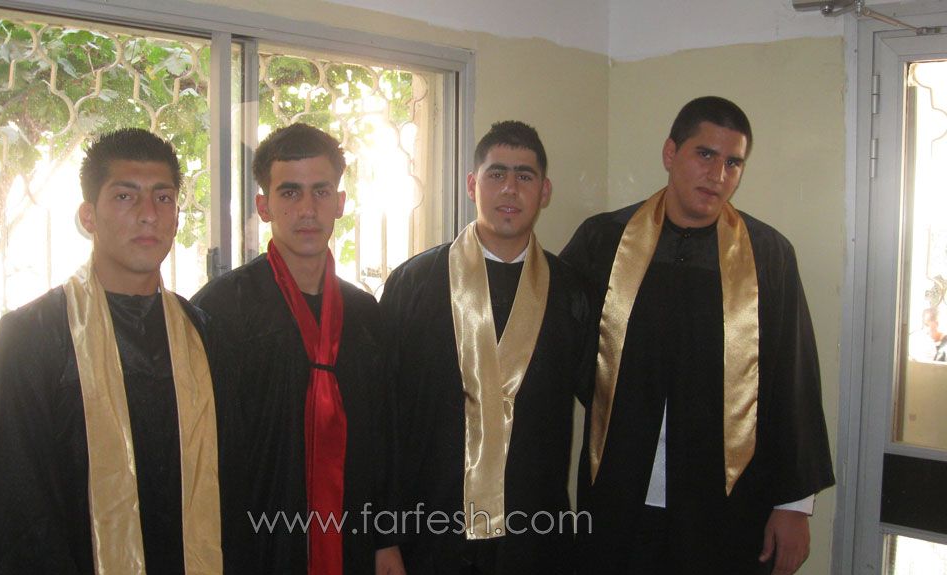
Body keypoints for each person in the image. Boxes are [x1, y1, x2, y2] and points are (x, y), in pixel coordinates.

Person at [561, 96, 835, 575]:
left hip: (727, 504)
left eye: (733, 162)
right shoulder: (604, 241)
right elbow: (556, 345)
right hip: (619, 493)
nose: (718, 175)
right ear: (671, 153)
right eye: (705, 154)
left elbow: (793, 381)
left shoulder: (767, 255)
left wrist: (794, 505)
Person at [0, 128, 221, 574]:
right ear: (88, 216)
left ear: (176, 217)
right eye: (126, 197)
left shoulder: (201, 333)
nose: (148, 215)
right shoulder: (30, 339)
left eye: (163, 198)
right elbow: (20, 515)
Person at [380, 121, 597, 574]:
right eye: (496, 174)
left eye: (524, 176)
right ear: (471, 185)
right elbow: (384, 418)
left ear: (545, 191)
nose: (510, 189)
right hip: (430, 527)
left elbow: (606, 407)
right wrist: (385, 537)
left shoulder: (572, 293)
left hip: (535, 530)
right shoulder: (414, 284)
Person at [192, 123, 403, 575]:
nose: (307, 209)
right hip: (254, 540)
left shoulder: (364, 313)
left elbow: (382, 437)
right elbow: (200, 449)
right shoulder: (221, 309)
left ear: (340, 203)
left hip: (351, 537)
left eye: (320, 192)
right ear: (263, 206)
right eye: (290, 193)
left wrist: (385, 539)